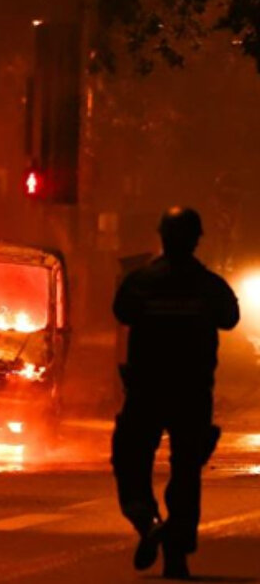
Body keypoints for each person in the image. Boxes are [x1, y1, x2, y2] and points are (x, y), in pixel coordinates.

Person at [112, 207, 239, 579]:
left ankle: (147, 521)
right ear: (196, 239)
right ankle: (176, 554)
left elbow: (121, 312)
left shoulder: (140, 281)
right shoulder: (208, 284)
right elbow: (230, 318)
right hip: (192, 392)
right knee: (186, 473)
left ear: (162, 237)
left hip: (146, 391)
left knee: (131, 461)